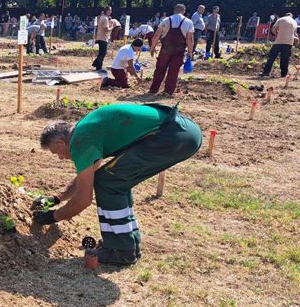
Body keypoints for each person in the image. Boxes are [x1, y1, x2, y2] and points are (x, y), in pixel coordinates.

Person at [34, 104, 201, 265]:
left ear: (60, 143)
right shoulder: (85, 130)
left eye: (57, 153)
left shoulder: (80, 141)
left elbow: (83, 199)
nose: (61, 158)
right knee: (114, 181)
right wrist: (57, 198)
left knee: (108, 182)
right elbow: (87, 175)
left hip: (169, 136)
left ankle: (122, 250)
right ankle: (128, 243)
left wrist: (52, 216)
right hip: (184, 131)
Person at [148, 3, 195, 96]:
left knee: (160, 69)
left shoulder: (166, 20)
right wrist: (190, 52)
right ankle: (168, 91)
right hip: (179, 50)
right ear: (184, 11)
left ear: (174, 10)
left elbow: (157, 34)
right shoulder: (188, 22)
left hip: (166, 49)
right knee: (173, 71)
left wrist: (152, 47)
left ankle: (153, 89)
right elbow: (190, 39)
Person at [261, 12, 298, 78]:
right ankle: (283, 74)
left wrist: (277, 34)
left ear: (285, 15)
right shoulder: (294, 21)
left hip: (279, 41)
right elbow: (295, 33)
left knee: (271, 58)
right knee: (285, 59)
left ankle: (266, 73)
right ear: (291, 16)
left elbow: (273, 29)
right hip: (289, 42)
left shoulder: (280, 19)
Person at [91, 6, 112, 70]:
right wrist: (112, 27)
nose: (111, 12)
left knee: (101, 52)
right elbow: (106, 29)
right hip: (103, 37)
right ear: (107, 11)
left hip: (100, 36)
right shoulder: (105, 18)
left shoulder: (102, 17)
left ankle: (96, 64)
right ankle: (98, 66)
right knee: (103, 53)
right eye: (110, 10)